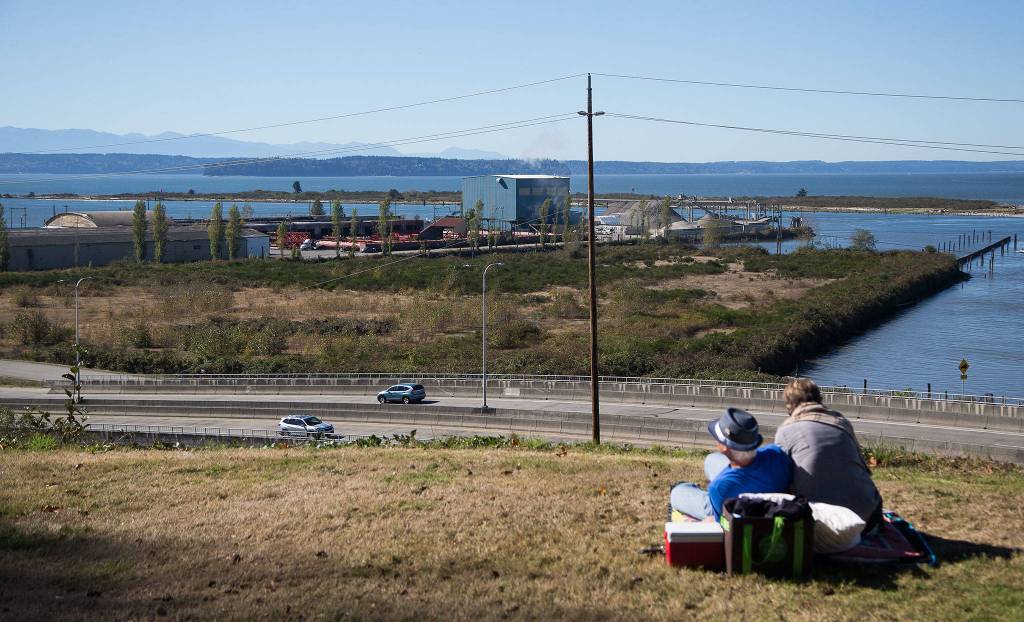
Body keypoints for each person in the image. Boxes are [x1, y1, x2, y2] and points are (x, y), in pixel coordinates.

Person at [774, 378, 883, 534]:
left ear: (789, 404)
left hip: (818, 521)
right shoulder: (841, 422)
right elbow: (864, 468)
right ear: (819, 398)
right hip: (866, 517)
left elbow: (780, 480)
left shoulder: (786, 430)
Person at [670, 408, 793, 521]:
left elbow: (723, 523)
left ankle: (686, 488)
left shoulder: (719, 487)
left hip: (733, 503)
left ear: (724, 448)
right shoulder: (776, 454)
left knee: (678, 492)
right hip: (768, 494)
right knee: (711, 460)